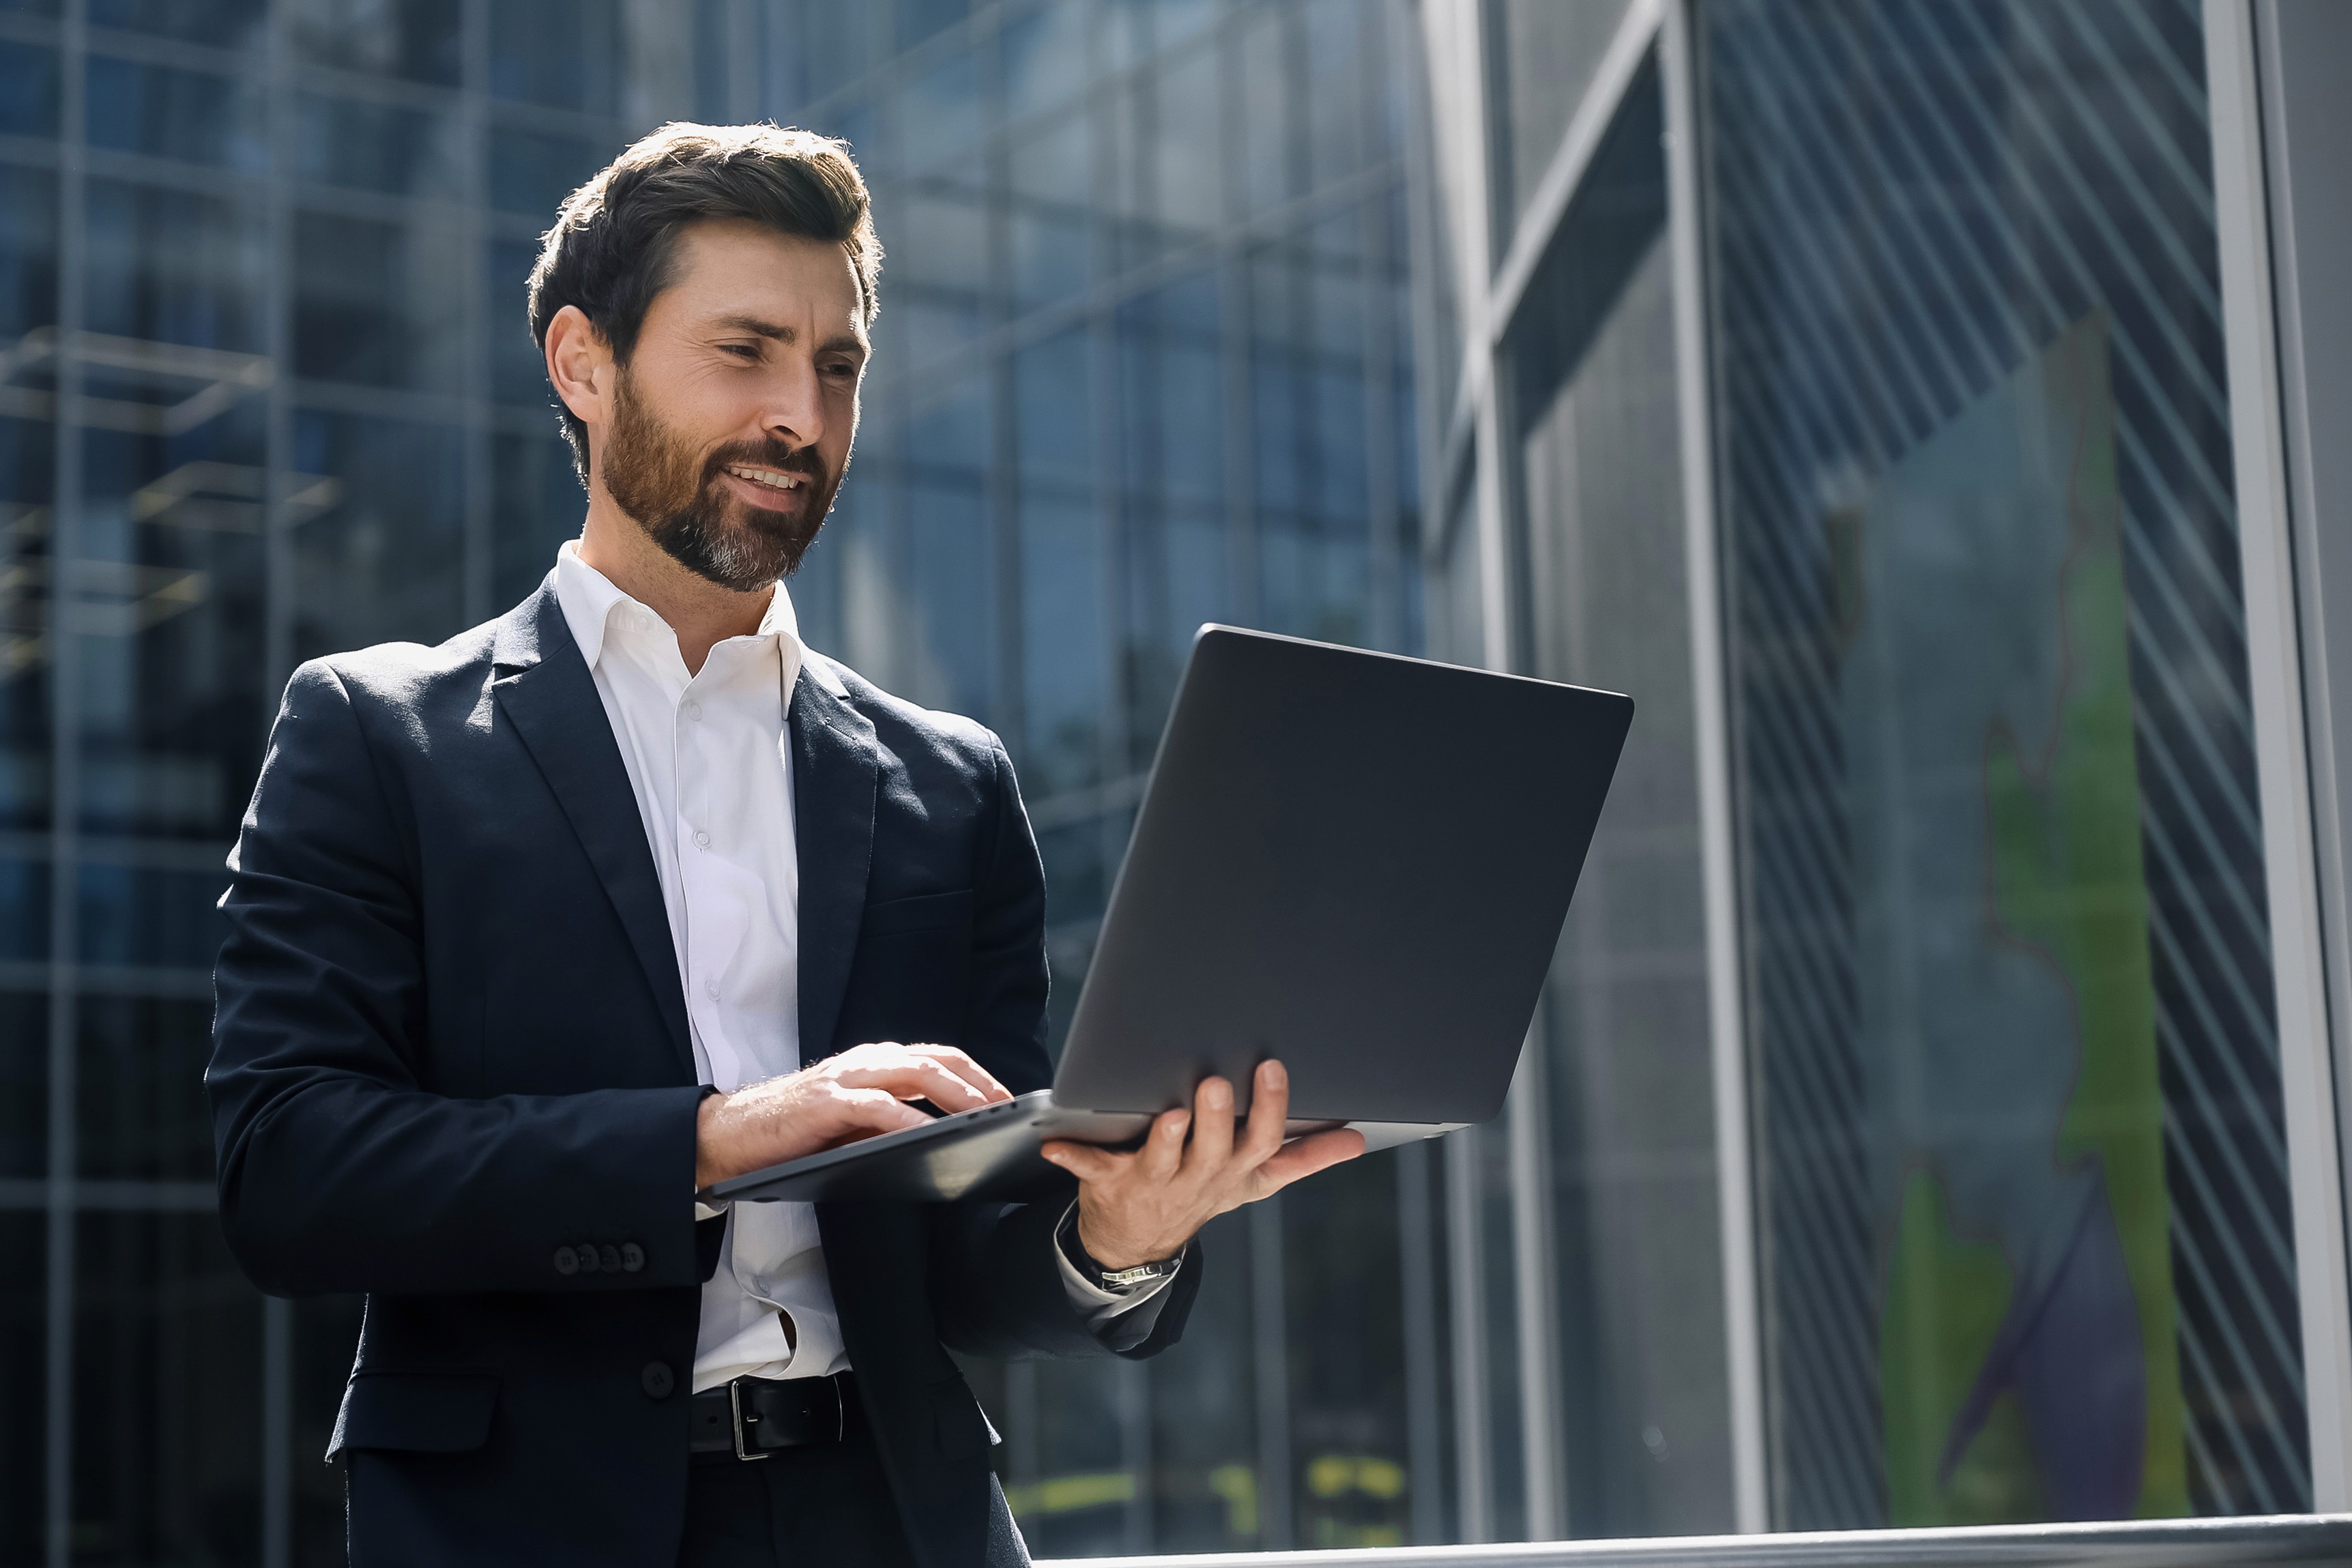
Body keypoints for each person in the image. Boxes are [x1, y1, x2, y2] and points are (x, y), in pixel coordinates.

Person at [206, 122, 1362, 1568]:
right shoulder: (378, 737)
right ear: (584, 362)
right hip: (530, 1529)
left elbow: (967, 1257)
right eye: (743, 350)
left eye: (837, 366)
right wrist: (702, 1142)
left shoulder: (950, 783)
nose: (802, 418)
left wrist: (1116, 1238)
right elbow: (288, 1175)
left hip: (894, 1520)